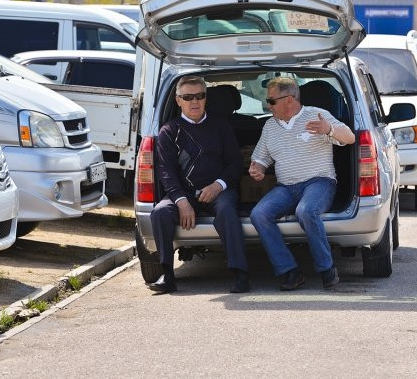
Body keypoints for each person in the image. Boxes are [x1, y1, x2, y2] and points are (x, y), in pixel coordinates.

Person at [249, 77, 355, 290]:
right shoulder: (270, 126)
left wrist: (329, 129)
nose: (267, 105)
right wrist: (257, 169)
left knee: (306, 211)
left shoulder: (317, 115)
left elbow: (350, 137)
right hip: (286, 187)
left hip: (319, 182)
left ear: (289, 99)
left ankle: (327, 269)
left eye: (271, 100)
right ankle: (290, 272)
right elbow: (260, 159)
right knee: (259, 214)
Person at [149, 75, 249, 294]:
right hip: (184, 193)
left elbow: (235, 162)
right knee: (160, 212)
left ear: (206, 98)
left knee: (227, 211)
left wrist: (218, 185)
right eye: (188, 97)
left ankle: (239, 273)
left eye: (199, 96)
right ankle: (167, 274)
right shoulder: (169, 131)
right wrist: (182, 201)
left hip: (218, 191)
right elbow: (166, 171)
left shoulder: (221, 127)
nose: (194, 101)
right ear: (178, 101)